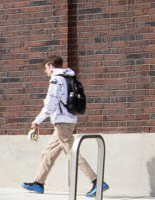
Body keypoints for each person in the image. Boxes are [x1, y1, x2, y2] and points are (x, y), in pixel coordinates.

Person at [23, 56, 106, 196]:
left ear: (51, 66)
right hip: (67, 120)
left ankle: (97, 182)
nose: (45, 72)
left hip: (63, 122)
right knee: (48, 152)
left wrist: (37, 120)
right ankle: (38, 183)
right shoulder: (68, 77)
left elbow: (51, 104)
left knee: (72, 153)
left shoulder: (56, 80)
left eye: (46, 68)